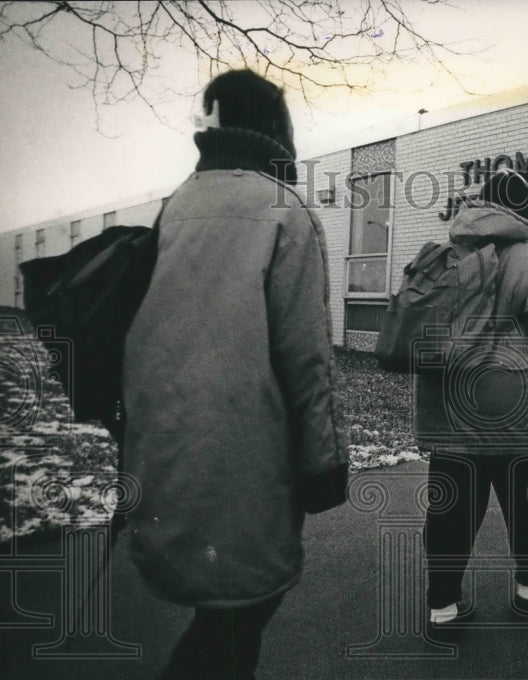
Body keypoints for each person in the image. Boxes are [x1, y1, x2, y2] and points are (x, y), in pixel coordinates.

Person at [122, 70, 349, 680]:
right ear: (278, 127)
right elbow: (306, 357)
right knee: (239, 616)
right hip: (248, 451)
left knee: (222, 610)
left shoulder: (176, 204)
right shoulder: (284, 210)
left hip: (166, 440)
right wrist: (324, 462)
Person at [415, 168, 528, 634]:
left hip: (452, 410)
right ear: (527, 208)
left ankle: (443, 608)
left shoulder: (449, 255)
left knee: (450, 510)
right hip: (519, 416)